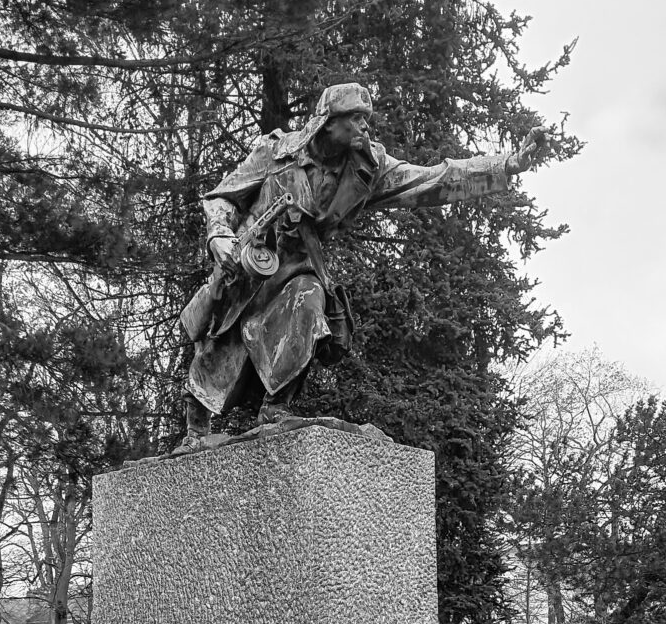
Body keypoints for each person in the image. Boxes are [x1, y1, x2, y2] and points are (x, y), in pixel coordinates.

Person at [175, 82, 548, 455]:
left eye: (365, 118)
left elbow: (434, 179)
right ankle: (195, 429)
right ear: (329, 122)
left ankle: (276, 408)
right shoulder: (275, 152)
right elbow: (222, 197)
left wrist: (506, 165)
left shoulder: (368, 167)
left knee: (309, 304)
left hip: (299, 264)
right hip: (248, 262)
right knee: (220, 342)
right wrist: (219, 237)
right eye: (355, 118)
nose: (365, 126)